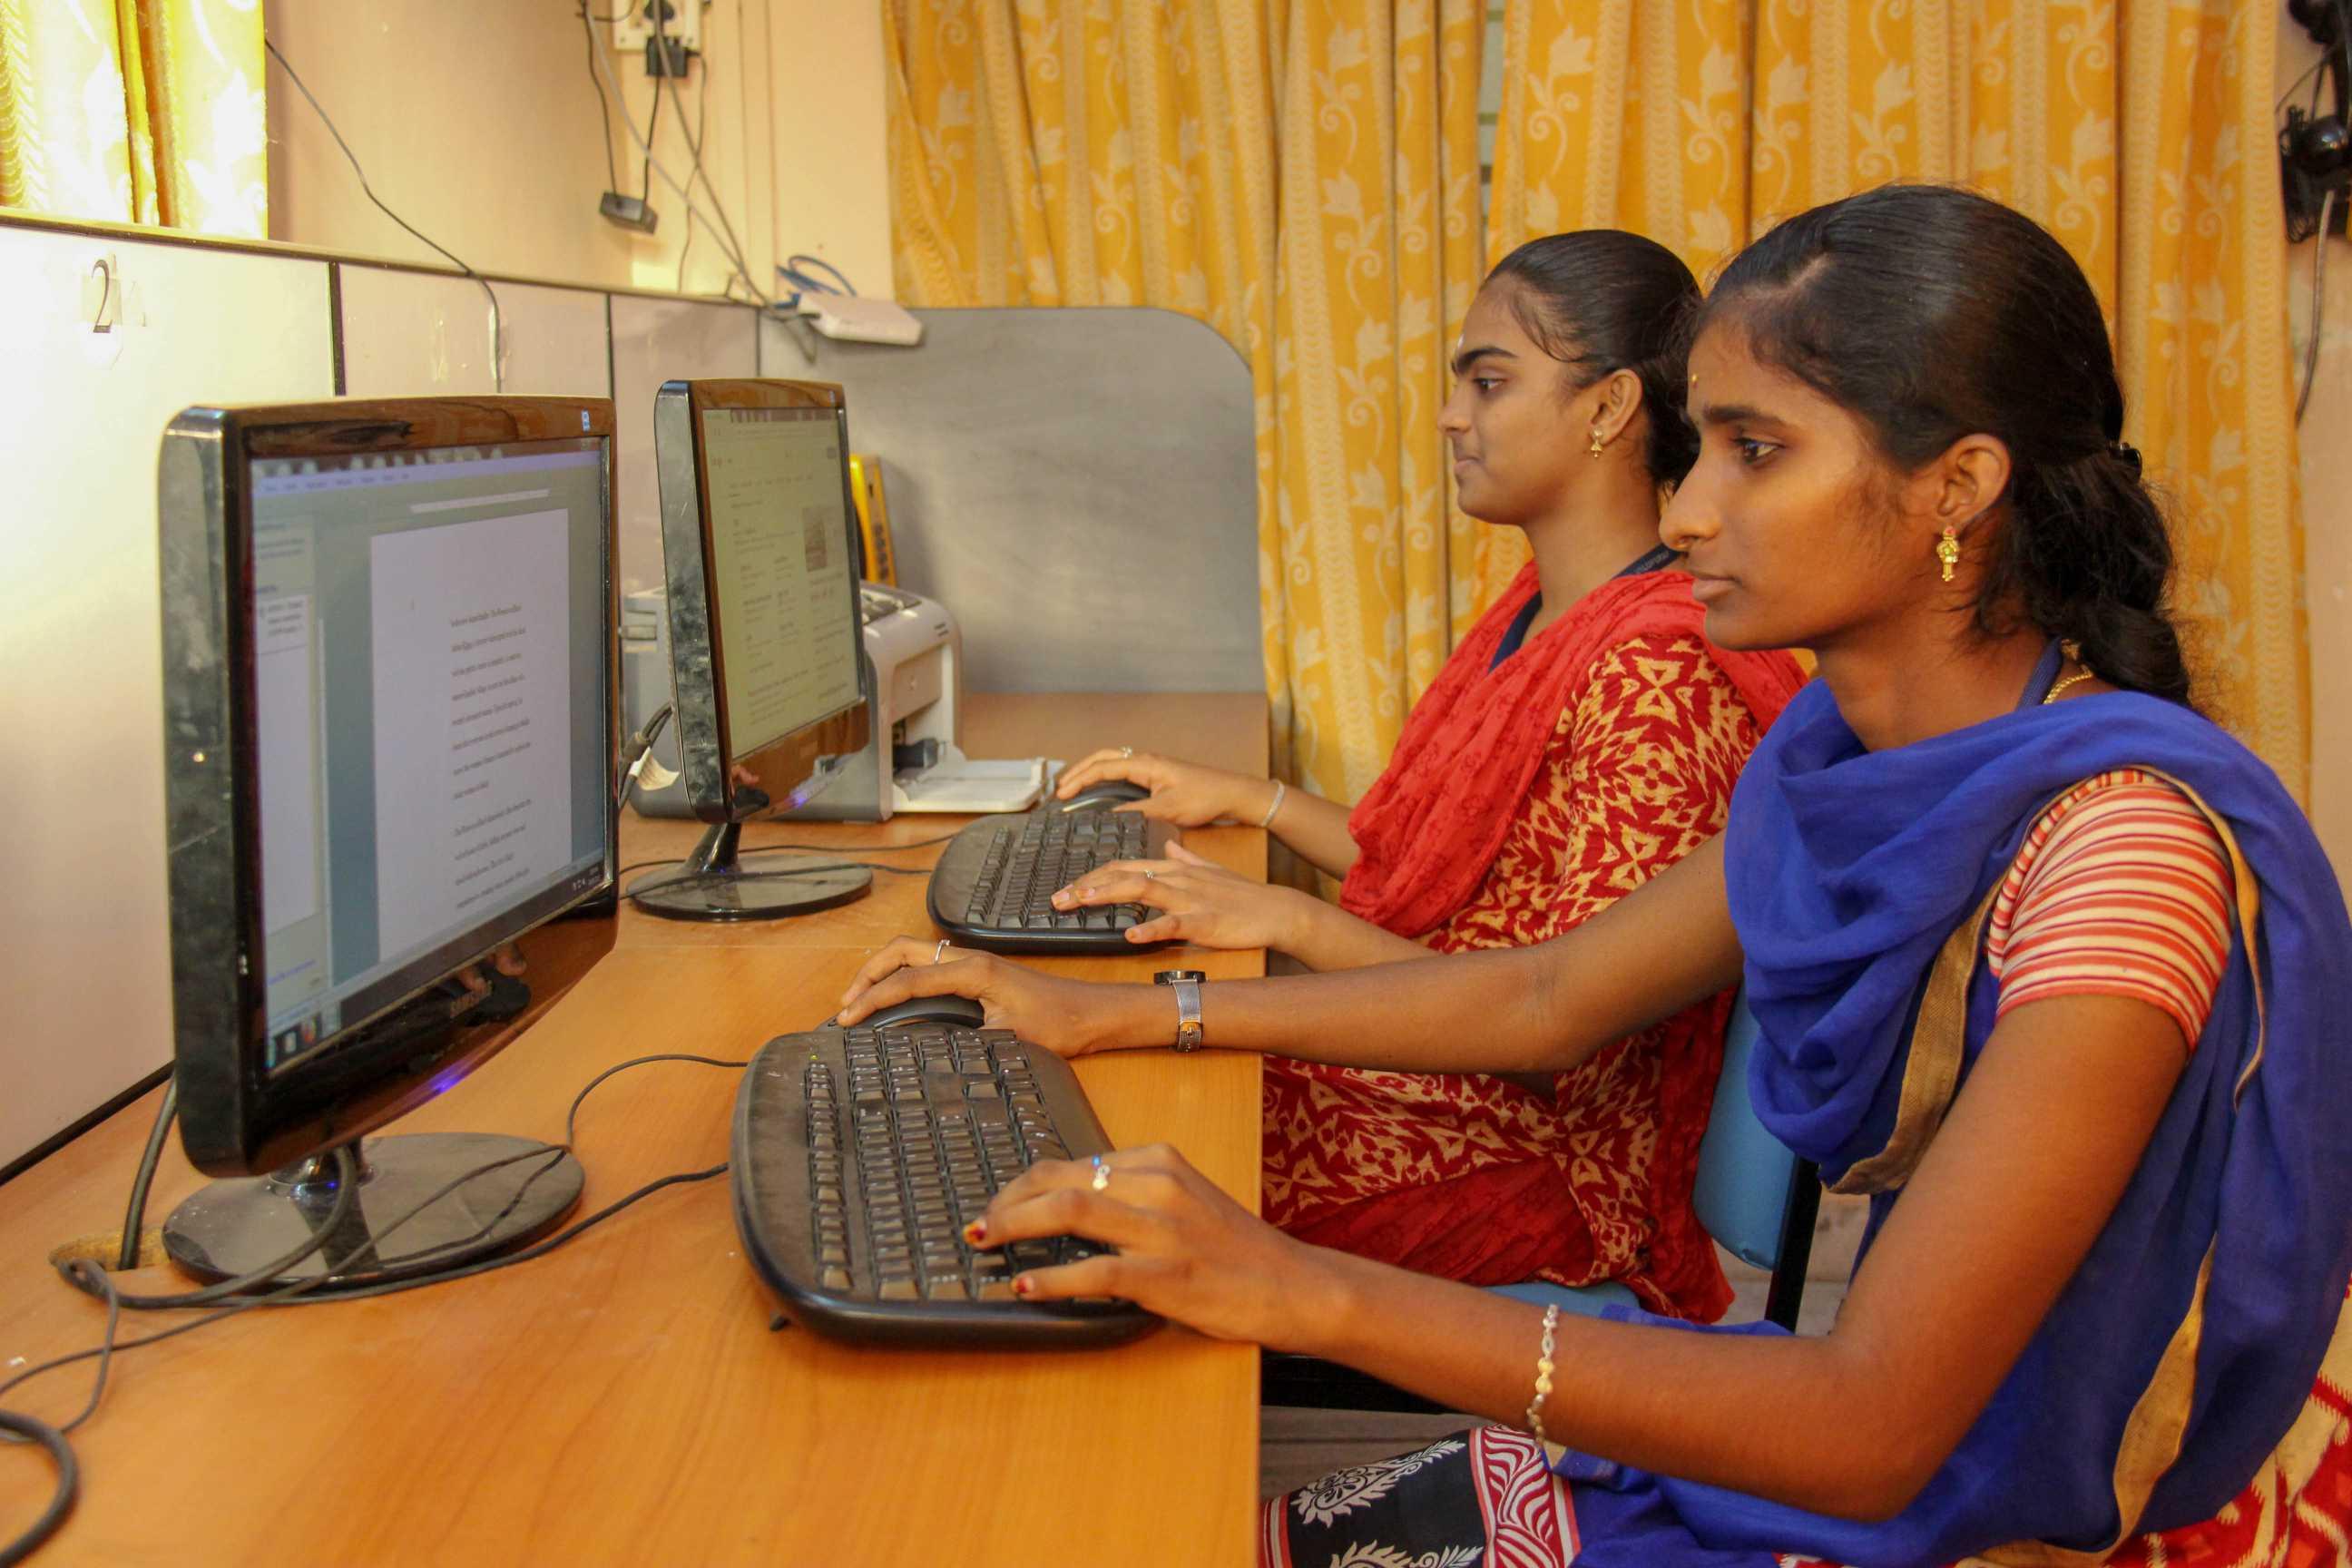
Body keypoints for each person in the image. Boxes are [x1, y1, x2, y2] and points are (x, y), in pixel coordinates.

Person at [838, 183, 2352, 1565]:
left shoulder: (2121, 863)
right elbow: (1549, 992)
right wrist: (1127, 1012)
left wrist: (1297, 1284)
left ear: (1954, 485)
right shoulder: (1839, 753)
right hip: (1840, 1440)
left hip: (1980, 1514)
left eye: (1756, 450)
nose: (1683, 510)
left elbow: (1871, 1429)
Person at [1039, 232, 1806, 1313]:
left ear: (1607, 407)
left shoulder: (1658, 673)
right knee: (1099, 1097)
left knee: (1117, 1146)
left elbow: (1559, 1042)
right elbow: (1444, 862)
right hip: (1448, 1075)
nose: (1452, 416)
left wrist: (1285, 921)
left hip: (1538, 1155)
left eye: (1489, 383)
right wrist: (1254, 799)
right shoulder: (1543, 610)